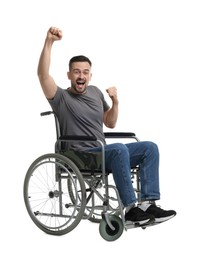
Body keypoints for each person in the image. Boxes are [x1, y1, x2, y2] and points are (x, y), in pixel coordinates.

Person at [37, 26, 176, 226]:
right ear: (69, 75)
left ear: (90, 76)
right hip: (80, 155)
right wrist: (49, 42)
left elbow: (109, 123)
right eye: (76, 72)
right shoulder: (60, 97)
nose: (81, 76)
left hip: (102, 152)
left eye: (85, 72)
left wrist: (115, 102)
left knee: (149, 148)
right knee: (119, 149)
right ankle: (130, 210)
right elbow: (42, 75)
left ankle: (147, 204)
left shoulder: (95, 92)